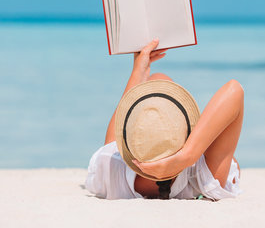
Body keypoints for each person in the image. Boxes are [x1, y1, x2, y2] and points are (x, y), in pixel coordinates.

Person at [85, 38, 244, 200]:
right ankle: (187, 148)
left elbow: (113, 140)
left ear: (129, 140)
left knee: (159, 77)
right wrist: (186, 157)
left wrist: (139, 71)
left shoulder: (111, 173)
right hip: (196, 160)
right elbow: (235, 89)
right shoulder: (203, 177)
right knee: (160, 79)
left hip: (179, 164)